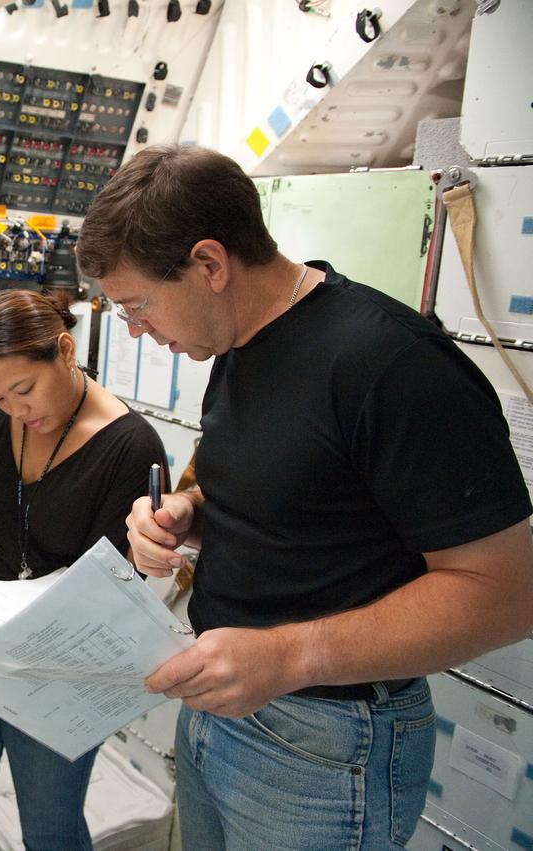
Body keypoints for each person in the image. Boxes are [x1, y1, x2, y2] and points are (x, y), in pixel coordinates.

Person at [77, 144, 533, 850]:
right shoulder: (236, 344)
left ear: (208, 263)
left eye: (138, 304)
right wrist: (186, 517)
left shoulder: (390, 363)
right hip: (223, 709)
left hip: (328, 743)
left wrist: (289, 657)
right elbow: (294, 500)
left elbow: (507, 591)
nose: (136, 328)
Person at [0, 289, 168, 851]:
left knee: (49, 827)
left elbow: (122, 583)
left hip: (61, 667)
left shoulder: (130, 447)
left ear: (66, 351)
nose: (15, 411)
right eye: (0, 398)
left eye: (24, 390)